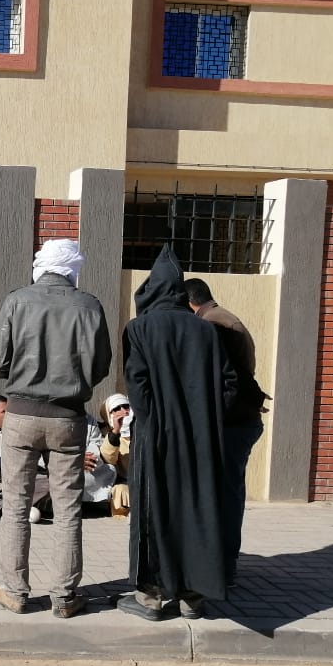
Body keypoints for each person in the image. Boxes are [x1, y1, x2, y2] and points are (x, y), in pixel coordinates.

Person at [0, 238, 111, 618]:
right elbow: (100, 366)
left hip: (21, 416)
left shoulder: (16, 300)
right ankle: (65, 596)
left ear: (41, 265)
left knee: (15, 506)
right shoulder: (89, 305)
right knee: (69, 508)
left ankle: (15, 591)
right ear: (73, 268)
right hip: (68, 418)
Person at [118, 247, 236, 621]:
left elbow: (137, 385)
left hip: (156, 437)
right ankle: (192, 597)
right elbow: (229, 384)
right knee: (195, 509)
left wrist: (154, 422)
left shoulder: (139, 329)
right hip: (201, 439)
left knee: (153, 512)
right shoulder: (206, 330)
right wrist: (206, 418)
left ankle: (151, 596)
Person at [184, 277, 269, 586]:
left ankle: (223, 566)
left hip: (232, 423)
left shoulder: (212, 324)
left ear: (188, 302)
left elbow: (227, 380)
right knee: (229, 492)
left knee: (225, 495)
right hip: (241, 420)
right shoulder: (224, 317)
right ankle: (223, 562)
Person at [98, 393, 133, 518]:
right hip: (126, 482)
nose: (124, 411)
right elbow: (108, 459)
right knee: (120, 491)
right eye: (117, 409)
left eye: (126, 407)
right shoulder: (106, 435)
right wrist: (115, 432)